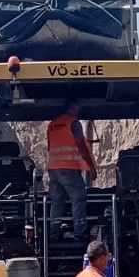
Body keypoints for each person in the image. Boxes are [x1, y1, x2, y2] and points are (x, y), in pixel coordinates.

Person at [47, 100, 97, 240]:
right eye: (77, 108)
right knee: (78, 198)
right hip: (69, 168)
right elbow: (81, 145)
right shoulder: (73, 123)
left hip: (54, 169)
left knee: (57, 201)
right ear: (72, 108)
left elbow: (50, 146)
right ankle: (79, 232)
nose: (78, 111)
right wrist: (91, 167)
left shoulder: (52, 124)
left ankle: (54, 233)